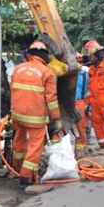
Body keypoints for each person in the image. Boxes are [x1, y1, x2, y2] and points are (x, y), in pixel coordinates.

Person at [10, 41, 62, 188]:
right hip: (36, 118)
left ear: (30, 54)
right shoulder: (47, 73)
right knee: (34, 146)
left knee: (19, 142)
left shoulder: (18, 69)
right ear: (44, 56)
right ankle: (25, 178)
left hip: (18, 115)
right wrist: (57, 118)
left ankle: (16, 169)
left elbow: (12, 89)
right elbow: (51, 99)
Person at [74, 52, 89, 157]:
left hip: (78, 101)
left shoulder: (83, 73)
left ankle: (80, 154)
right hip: (75, 101)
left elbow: (86, 89)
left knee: (80, 128)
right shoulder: (83, 72)